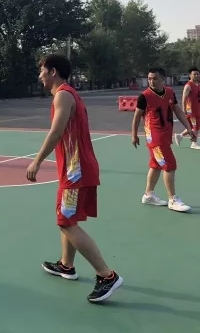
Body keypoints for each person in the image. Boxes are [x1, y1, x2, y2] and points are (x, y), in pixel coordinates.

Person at [26, 53, 122, 303]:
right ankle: (66, 265)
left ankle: (107, 275)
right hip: (76, 169)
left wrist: (36, 161)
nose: (40, 75)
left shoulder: (63, 95)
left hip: (75, 171)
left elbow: (56, 132)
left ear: (53, 72)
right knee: (66, 219)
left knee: (66, 222)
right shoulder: (69, 94)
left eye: (42, 70)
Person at [131, 67, 194, 212]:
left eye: (155, 78)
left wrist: (188, 127)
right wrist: (134, 135)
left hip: (165, 135)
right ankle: (173, 199)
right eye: (149, 79)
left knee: (156, 165)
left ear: (163, 79)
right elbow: (136, 117)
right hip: (155, 138)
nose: (151, 81)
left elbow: (177, 110)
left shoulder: (170, 92)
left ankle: (148, 195)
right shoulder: (144, 96)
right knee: (169, 165)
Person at [173, 66, 200, 149]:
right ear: (190, 75)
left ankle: (180, 136)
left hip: (198, 109)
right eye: (194, 74)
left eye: (197, 74)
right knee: (195, 127)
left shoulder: (198, 84)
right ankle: (194, 143)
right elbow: (184, 98)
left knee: (193, 127)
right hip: (191, 111)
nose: (196, 76)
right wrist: (184, 109)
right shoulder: (188, 85)